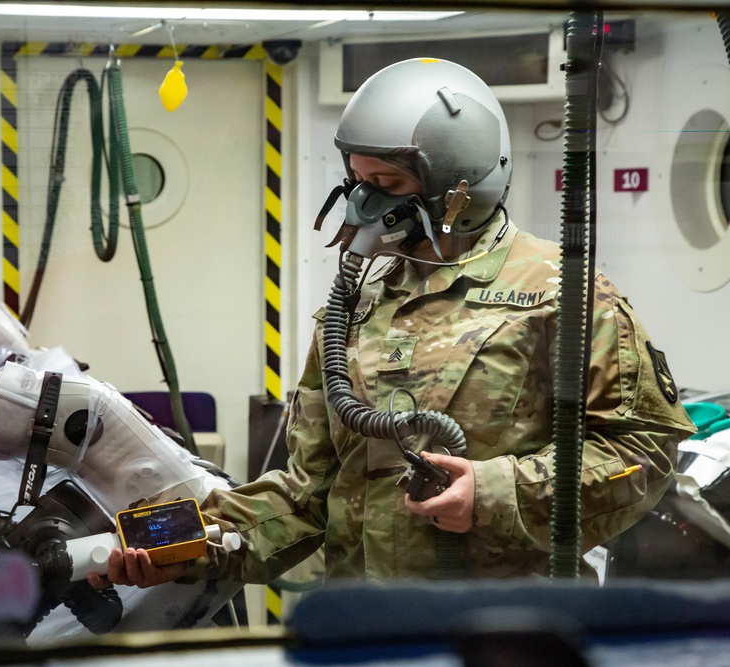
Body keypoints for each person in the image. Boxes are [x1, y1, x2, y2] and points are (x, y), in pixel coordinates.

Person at [88, 58, 696, 588]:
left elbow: (642, 453)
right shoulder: (352, 306)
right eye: (357, 182)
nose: (365, 205)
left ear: (458, 189)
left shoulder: (562, 295)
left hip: (506, 627)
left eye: (388, 184)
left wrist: (495, 491)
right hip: (368, 625)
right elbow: (306, 494)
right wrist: (193, 547)